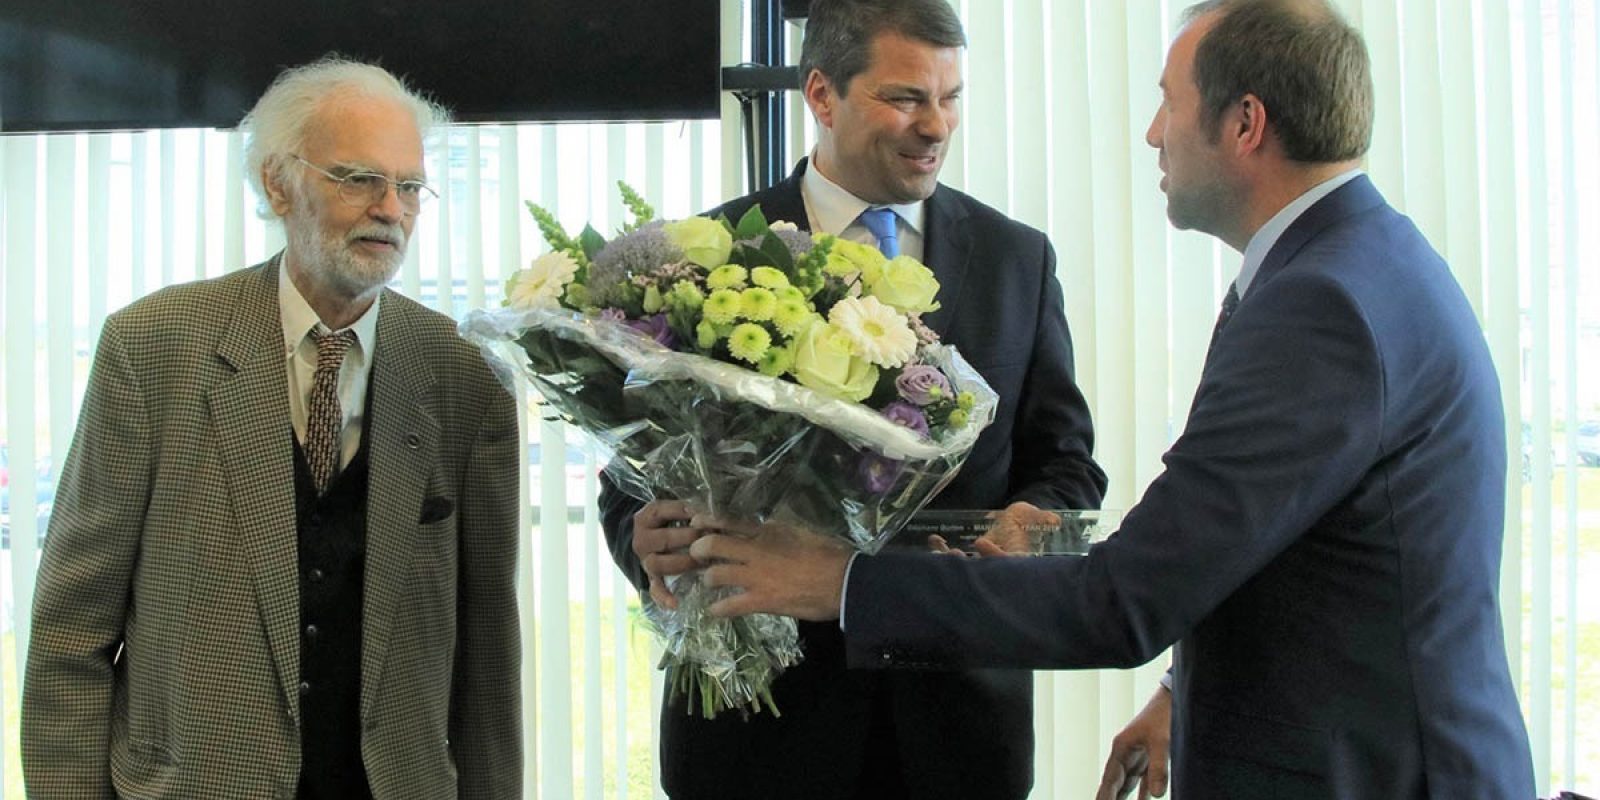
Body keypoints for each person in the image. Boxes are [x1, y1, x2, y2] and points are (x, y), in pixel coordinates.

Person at [687, 0, 1538, 796]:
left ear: (1244, 124)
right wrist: (1179, 687)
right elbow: (1274, 539)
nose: (1152, 133)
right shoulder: (1352, 265)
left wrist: (841, 583)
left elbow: (1123, 599)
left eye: (1170, 103)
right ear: (822, 98)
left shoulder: (1323, 303)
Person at [597, 0, 1107, 797]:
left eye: (952, 97)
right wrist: (643, 540)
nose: (936, 125)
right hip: (751, 738)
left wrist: (1028, 524)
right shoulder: (698, 259)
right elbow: (626, 479)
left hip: (959, 726)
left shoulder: (1020, 261)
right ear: (822, 95)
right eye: (906, 97)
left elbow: (1068, 468)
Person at [21, 58, 522, 799]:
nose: (392, 208)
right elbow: (72, 635)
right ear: (277, 183)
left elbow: (487, 662)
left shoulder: (465, 374)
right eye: (358, 179)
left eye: (409, 186)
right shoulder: (154, 347)